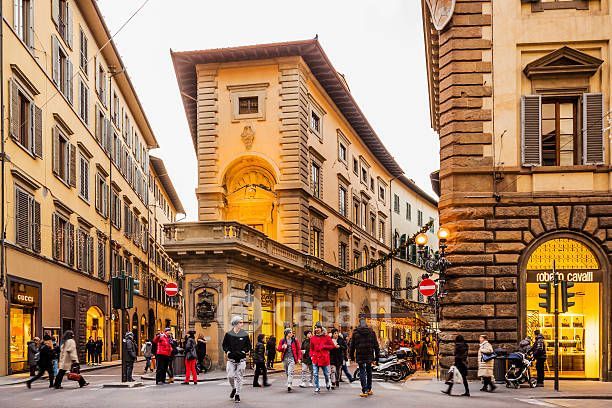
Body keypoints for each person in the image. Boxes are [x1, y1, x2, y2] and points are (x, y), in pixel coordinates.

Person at [222, 315, 251, 403]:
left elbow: (249, 346)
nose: (242, 324)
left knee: (239, 377)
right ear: (235, 323)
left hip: (241, 360)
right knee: (230, 376)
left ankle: (237, 394)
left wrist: (244, 351)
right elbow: (224, 345)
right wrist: (227, 351)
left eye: (242, 322)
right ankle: (234, 388)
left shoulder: (245, 335)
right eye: (240, 322)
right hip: (231, 360)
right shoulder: (228, 334)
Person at [350, 319, 380, 398]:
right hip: (369, 354)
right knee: (369, 371)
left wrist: (351, 356)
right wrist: (377, 357)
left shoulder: (355, 333)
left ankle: (364, 390)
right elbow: (376, 346)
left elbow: (352, 346)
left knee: (362, 371)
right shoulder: (371, 332)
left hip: (360, 355)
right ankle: (369, 389)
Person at [309, 322, 336, 393]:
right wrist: (311, 355)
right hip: (315, 358)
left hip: (324, 358)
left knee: (326, 374)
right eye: (315, 328)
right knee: (315, 373)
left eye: (318, 328)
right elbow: (311, 348)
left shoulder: (326, 337)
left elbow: (332, 346)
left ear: (321, 329)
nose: (316, 329)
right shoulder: (312, 338)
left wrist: (324, 346)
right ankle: (317, 387)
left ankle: (327, 383)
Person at [277, 328, 300, 392]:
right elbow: (278, 349)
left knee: (290, 372)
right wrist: (282, 347)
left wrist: (299, 358)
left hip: (292, 358)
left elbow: (298, 349)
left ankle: (289, 384)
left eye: (291, 332)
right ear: (287, 333)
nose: (291, 333)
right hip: (285, 359)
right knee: (287, 372)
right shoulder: (282, 340)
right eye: (290, 332)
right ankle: (289, 382)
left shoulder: (295, 340)